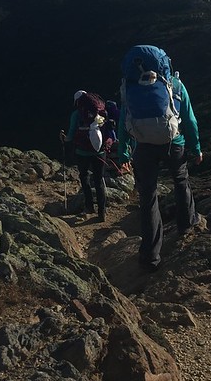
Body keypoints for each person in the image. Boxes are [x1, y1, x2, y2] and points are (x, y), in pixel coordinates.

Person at [118, 47, 203, 271]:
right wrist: (196, 148)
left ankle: (150, 256)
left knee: (148, 197)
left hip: (143, 146)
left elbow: (123, 121)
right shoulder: (175, 85)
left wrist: (123, 152)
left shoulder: (130, 87)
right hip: (173, 143)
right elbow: (189, 119)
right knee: (181, 181)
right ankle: (187, 224)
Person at [60, 90, 108, 221]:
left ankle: (89, 206)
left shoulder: (76, 114)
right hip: (100, 151)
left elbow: (71, 134)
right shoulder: (99, 112)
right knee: (99, 180)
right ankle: (102, 211)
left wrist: (65, 139)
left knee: (84, 177)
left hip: (82, 152)